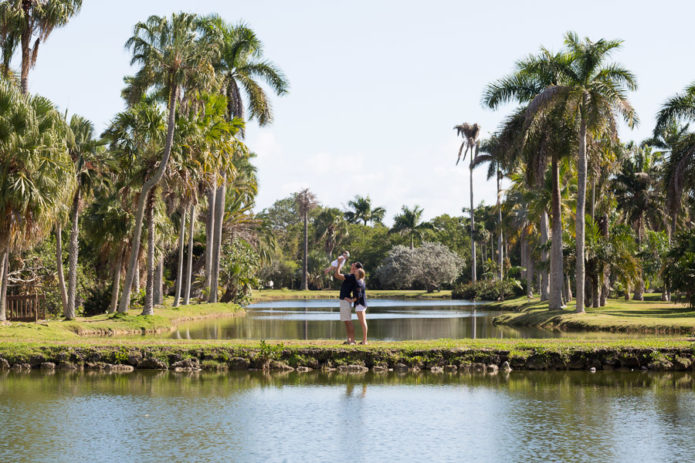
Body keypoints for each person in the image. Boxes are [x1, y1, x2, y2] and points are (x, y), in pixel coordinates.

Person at [333, 260, 362, 345]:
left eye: (354, 264)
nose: (352, 264)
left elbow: (337, 275)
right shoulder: (351, 276)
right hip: (344, 300)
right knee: (346, 321)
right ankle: (349, 339)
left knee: (348, 321)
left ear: (356, 268)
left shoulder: (351, 276)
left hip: (345, 300)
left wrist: (339, 263)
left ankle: (352, 340)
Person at [353, 268, 368, 345]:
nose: (355, 271)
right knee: (363, 322)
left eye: (356, 271)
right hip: (362, 304)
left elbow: (359, 295)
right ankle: (365, 340)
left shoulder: (358, 282)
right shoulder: (362, 281)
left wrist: (351, 300)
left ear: (359, 273)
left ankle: (365, 341)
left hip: (360, 304)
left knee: (363, 322)